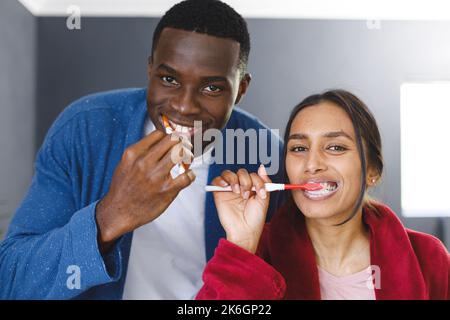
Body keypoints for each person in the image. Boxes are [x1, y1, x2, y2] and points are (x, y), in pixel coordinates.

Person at [0, 0, 284, 299]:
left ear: (241, 89)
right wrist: (110, 217)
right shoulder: (84, 128)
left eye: (212, 88)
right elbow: (12, 280)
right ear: (150, 69)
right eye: (169, 79)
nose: (184, 106)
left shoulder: (265, 154)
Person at [196, 89, 449, 300]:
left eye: (335, 147)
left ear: (372, 170)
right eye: (299, 148)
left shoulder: (429, 258)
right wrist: (241, 244)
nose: (312, 163)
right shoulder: (257, 255)